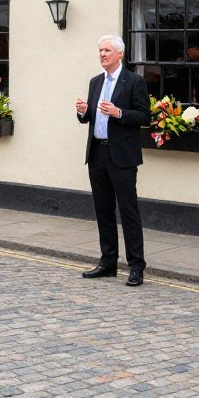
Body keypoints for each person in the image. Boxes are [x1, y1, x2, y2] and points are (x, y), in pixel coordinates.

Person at [75, 35, 151, 287]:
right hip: (97, 153)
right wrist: (83, 112)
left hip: (122, 156)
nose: (102, 54)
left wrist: (119, 113)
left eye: (107, 50)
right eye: (100, 50)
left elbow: (144, 116)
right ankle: (108, 262)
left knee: (128, 212)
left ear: (120, 54)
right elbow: (92, 117)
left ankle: (136, 266)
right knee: (103, 210)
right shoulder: (95, 82)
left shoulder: (134, 81)